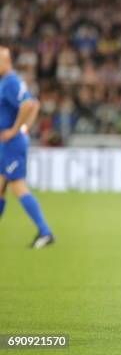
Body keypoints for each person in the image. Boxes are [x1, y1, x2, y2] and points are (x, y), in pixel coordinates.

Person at [0, 46, 54, 249]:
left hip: (11, 143)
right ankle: (44, 231)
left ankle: (45, 231)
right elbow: (35, 104)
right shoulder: (8, 81)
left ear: (6, 62)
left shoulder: (11, 82)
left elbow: (28, 105)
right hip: (7, 143)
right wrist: (23, 128)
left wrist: (16, 130)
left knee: (17, 185)